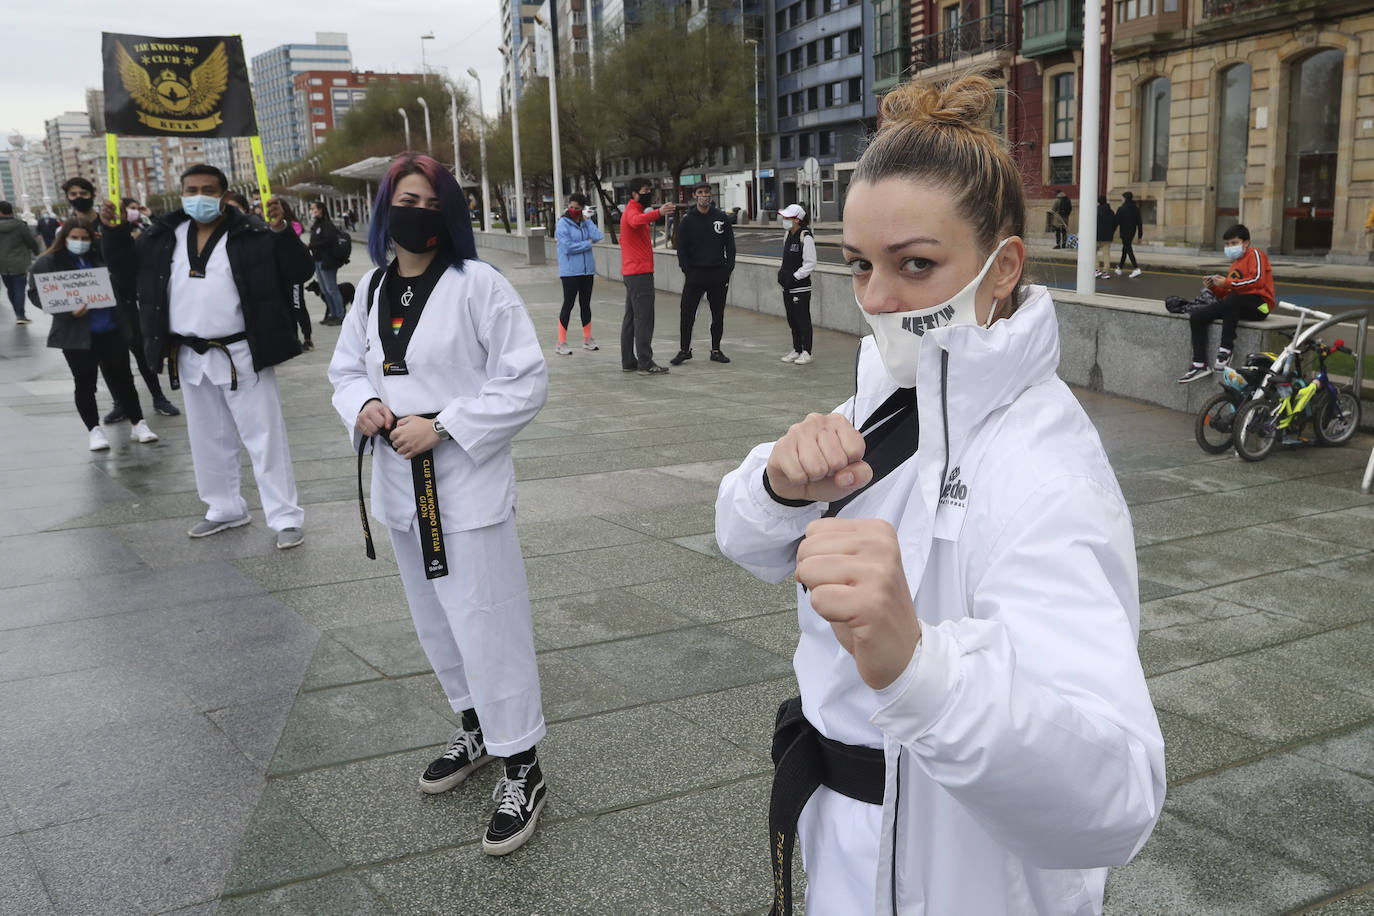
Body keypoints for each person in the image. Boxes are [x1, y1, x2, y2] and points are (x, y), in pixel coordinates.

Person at [715, 73, 1165, 915]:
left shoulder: (1044, 471)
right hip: (844, 858)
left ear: (1002, 270)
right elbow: (743, 542)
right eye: (859, 266)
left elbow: (1118, 798)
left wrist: (921, 669)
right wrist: (775, 485)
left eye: (916, 265)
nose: (879, 298)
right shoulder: (888, 395)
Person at [328, 153, 551, 857]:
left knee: (488, 621)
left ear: (447, 211)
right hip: (397, 480)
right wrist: (363, 402)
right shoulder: (369, 289)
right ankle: (475, 727)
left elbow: (525, 380)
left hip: (463, 480)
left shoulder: (479, 284)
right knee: (434, 621)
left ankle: (524, 766)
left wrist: (447, 423)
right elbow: (344, 369)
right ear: (384, 211)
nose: (414, 210)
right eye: (403, 198)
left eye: (428, 200)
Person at [101, 163, 312, 549]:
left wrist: (281, 230)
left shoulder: (253, 230)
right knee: (206, 438)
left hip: (242, 351)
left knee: (264, 437)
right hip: (188, 352)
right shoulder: (164, 235)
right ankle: (224, 508)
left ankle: (284, 517)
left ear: (223, 193)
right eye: (191, 189)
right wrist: (113, 232)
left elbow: (299, 269)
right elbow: (125, 273)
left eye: (207, 189)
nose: (198, 196)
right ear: (181, 193)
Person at [28, 222, 159, 449]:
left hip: (110, 330)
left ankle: (139, 424)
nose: (80, 242)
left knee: (124, 380)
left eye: (84, 238)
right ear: (65, 238)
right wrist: (66, 310)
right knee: (85, 383)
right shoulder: (49, 262)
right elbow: (36, 293)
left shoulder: (99, 258)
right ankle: (94, 430)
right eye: (74, 237)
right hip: (76, 335)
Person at [103, 196, 183, 422]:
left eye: (136, 209)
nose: (133, 212)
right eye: (131, 209)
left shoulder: (147, 228)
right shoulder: (102, 228)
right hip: (108, 304)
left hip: (134, 302)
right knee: (112, 362)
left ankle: (158, 397)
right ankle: (120, 403)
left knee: (143, 352)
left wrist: (148, 217)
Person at [1177, 223, 1273, 384]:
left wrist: (1227, 283)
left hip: (1260, 305)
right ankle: (1199, 364)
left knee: (1232, 300)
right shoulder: (1235, 264)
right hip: (1236, 304)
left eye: (1234, 243)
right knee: (1197, 317)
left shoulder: (1255, 254)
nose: (1230, 247)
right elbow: (1229, 293)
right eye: (1227, 244)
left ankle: (1225, 350)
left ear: (1246, 243)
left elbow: (1257, 280)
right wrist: (1215, 287)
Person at [670, 182, 736, 366]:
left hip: (717, 274)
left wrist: (727, 268)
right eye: (700, 192)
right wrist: (687, 269)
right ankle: (685, 350)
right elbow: (681, 248)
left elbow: (730, 245)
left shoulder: (721, 218)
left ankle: (716, 350)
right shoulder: (688, 220)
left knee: (717, 314)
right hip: (695, 274)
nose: (704, 196)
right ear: (694, 196)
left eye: (706, 192)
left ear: (711, 195)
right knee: (687, 314)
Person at [619, 178, 675, 375]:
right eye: (644, 190)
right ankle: (645, 362)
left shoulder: (632, 209)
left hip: (632, 272)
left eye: (650, 190)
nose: (648, 193)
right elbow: (635, 221)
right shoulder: (632, 211)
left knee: (631, 318)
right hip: (639, 273)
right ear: (634, 194)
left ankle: (628, 361)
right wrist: (658, 213)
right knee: (644, 318)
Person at [553, 192, 604, 355]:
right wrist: (587, 244)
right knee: (568, 304)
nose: (573, 210)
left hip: (587, 270)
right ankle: (561, 342)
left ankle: (588, 339)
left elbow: (598, 236)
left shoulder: (585, 222)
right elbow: (567, 247)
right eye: (571, 207)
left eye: (577, 208)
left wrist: (587, 221)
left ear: (582, 209)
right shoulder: (563, 224)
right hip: (569, 272)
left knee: (585, 304)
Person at [777, 203, 817, 365]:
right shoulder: (788, 235)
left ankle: (807, 351)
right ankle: (797, 349)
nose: (784, 220)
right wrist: (782, 275)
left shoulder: (805, 237)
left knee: (802, 319)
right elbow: (786, 259)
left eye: (787, 218)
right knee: (792, 319)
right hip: (787, 286)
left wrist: (795, 276)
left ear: (796, 220)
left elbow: (810, 263)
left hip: (800, 286)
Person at [0, 200, 41, 324]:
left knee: (10, 289)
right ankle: (20, 315)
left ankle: (17, 312)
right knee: (19, 289)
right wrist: (36, 251)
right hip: (19, 262)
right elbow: (30, 241)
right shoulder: (20, 225)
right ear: (10, 210)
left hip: (2, 264)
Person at [308, 202, 348, 325]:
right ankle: (332, 313)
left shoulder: (327, 224)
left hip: (327, 261)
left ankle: (340, 315)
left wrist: (311, 245)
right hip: (318, 260)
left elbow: (328, 241)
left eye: (313, 208)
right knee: (325, 289)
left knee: (332, 288)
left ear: (320, 210)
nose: (311, 211)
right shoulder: (317, 224)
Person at [1115, 191, 1143, 278]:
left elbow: (1116, 222)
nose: (1121, 200)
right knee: (1125, 249)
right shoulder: (1136, 208)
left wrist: (1110, 232)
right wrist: (1139, 236)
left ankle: (1136, 268)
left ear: (1125, 198)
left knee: (1128, 249)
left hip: (1124, 232)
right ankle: (1120, 267)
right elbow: (1139, 223)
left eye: (1122, 198)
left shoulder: (1121, 209)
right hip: (1132, 232)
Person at [1095, 195, 1117, 280]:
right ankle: (1106, 272)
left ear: (1098, 202)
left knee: (1093, 253)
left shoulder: (1096, 211)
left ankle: (1097, 269)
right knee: (1106, 255)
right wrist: (1111, 232)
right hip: (1108, 237)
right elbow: (1115, 223)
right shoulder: (1111, 212)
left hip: (1097, 236)